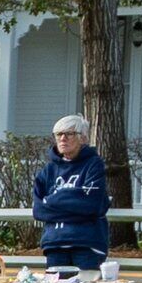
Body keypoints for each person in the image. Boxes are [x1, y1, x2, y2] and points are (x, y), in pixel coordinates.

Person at [33, 115, 111, 272]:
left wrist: (54, 200)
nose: (63, 139)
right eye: (58, 134)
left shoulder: (94, 165)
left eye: (69, 134)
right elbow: (39, 210)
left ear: (83, 138)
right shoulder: (48, 171)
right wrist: (75, 202)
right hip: (54, 243)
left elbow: (92, 204)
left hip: (87, 243)